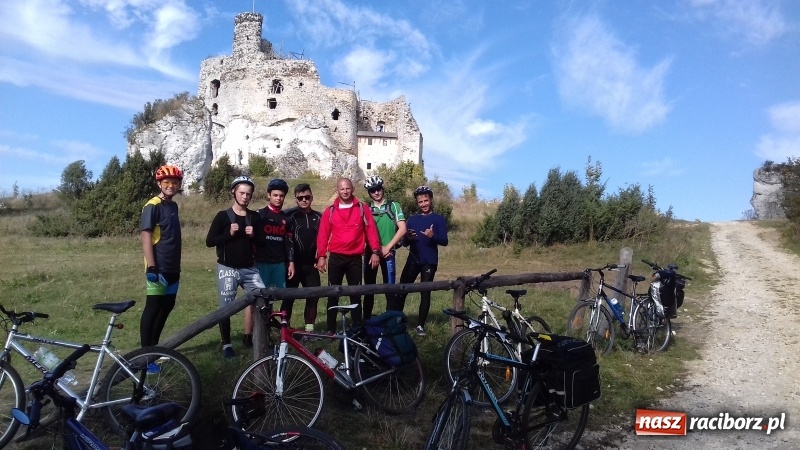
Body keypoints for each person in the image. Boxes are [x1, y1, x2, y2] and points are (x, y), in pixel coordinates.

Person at [205, 176, 266, 359]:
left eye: (248, 194)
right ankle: (227, 345)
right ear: (234, 192)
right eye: (242, 193)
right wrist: (228, 234)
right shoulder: (222, 216)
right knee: (226, 308)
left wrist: (254, 235)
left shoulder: (254, 217)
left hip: (249, 269)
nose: (245, 197)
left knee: (263, 302)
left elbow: (263, 242)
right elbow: (209, 241)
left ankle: (257, 338)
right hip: (227, 268)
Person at [316, 178, 381, 333]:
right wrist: (321, 256)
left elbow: (371, 231)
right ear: (337, 190)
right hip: (336, 258)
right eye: (342, 189)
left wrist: (375, 251)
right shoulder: (330, 211)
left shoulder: (362, 209)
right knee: (333, 294)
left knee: (355, 295)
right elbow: (323, 234)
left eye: (347, 188)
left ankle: (357, 327)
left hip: (355, 259)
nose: (345, 191)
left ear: (352, 189)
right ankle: (331, 329)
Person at [393, 185, 449, 336]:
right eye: (420, 202)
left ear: (431, 200)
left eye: (426, 200)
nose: (423, 204)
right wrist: (408, 238)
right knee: (402, 289)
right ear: (417, 203)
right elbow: (404, 242)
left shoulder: (438, 219)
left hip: (429, 261)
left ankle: (420, 326)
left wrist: (433, 236)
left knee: (425, 292)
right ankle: (398, 321)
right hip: (413, 260)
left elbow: (444, 241)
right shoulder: (412, 220)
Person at [139, 164, 183, 348]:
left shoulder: (172, 205)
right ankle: (145, 356)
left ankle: (154, 349)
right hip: (158, 266)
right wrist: (151, 265)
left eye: (174, 182)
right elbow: (146, 235)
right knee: (153, 308)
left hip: (173, 265)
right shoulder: (152, 205)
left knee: (167, 307)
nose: (171, 185)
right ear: (159, 184)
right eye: (167, 182)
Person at [251, 178, 295, 346]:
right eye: (275, 195)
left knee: (273, 299)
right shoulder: (259, 215)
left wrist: (291, 262)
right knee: (260, 301)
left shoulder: (286, 218)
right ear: (269, 195)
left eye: (281, 196)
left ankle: (269, 333)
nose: (278, 198)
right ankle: (257, 335)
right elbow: (252, 240)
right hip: (261, 263)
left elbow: (288, 242)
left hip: (278, 263)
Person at [361, 176, 407, 320]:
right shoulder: (366, 209)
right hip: (372, 252)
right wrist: (377, 248)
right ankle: (367, 320)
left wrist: (388, 247)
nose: (376, 192)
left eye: (378, 189)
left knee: (390, 288)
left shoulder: (394, 206)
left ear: (382, 188)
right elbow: (363, 232)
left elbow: (402, 229)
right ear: (369, 193)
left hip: (389, 252)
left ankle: (390, 321)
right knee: (369, 288)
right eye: (372, 190)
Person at [284, 183, 322, 331]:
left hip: (311, 265)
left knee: (313, 296)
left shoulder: (319, 217)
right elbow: (287, 241)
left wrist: (320, 257)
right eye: (300, 198)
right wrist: (289, 261)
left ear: (312, 198)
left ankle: (309, 329)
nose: (304, 200)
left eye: (307, 197)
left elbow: (323, 239)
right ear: (296, 200)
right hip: (293, 265)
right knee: (289, 297)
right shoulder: (289, 216)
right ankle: (284, 329)